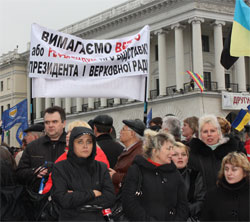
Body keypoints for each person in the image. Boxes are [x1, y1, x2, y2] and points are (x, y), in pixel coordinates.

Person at [122, 129, 189, 221]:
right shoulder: (137, 170)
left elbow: (183, 204)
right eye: (168, 148)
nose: (172, 152)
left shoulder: (174, 172)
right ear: (155, 151)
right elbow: (129, 203)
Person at [51, 126, 115, 221]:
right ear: (72, 144)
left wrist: (76, 197)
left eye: (89, 142)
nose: (85, 146)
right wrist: (93, 193)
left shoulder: (101, 167)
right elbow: (63, 200)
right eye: (80, 142)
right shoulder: (60, 167)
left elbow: (109, 198)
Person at [42, 120, 110, 194]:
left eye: (72, 132)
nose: (67, 135)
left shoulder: (97, 156)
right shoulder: (64, 156)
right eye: (67, 132)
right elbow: (52, 183)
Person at [16, 106, 67, 192]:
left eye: (54, 122)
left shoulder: (73, 145)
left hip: (66, 199)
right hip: (38, 199)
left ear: (63, 123)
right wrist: (34, 172)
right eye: (47, 122)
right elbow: (19, 174)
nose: (50, 125)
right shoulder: (32, 146)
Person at [188, 114, 244, 190]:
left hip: (229, 196)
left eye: (212, 131)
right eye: (205, 131)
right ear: (200, 135)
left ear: (219, 133)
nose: (209, 134)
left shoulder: (233, 152)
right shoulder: (192, 154)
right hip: (202, 199)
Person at [201, 152, 250, 221]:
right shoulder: (212, 195)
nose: (229, 173)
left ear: (245, 172)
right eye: (226, 169)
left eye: (234, 169)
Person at [109, 119, 146, 193]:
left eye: (123, 130)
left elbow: (138, 179)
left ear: (132, 133)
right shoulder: (131, 150)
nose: (120, 132)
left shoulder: (139, 153)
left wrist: (115, 176)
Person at [172, 142, 206, 221]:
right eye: (175, 155)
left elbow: (201, 201)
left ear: (187, 158)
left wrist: (186, 210)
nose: (180, 157)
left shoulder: (196, 175)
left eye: (183, 154)